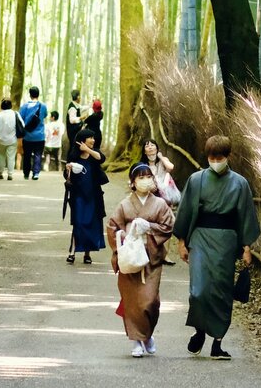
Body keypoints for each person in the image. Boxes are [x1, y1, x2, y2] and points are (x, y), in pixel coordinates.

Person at [172, 134, 260, 360]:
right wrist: (182, 242)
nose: (215, 160)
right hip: (200, 237)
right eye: (211, 156)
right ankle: (200, 331)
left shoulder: (240, 183)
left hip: (227, 241)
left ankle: (217, 342)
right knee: (199, 290)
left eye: (219, 157)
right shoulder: (196, 179)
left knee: (222, 291)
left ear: (228, 156)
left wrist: (247, 247)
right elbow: (185, 211)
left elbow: (246, 216)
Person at [107, 164, 176, 358]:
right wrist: (124, 235)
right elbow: (112, 227)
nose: (146, 180)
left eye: (148, 177)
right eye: (141, 177)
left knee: (150, 301)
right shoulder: (124, 205)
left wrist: (149, 227)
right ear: (133, 182)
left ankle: (147, 335)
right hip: (130, 258)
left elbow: (168, 226)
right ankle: (136, 340)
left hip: (150, 259)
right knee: (132, 301)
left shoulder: (160, 205)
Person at [62, 132, 108, 264]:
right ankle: (72, 252)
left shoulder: (94, 154)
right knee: (78, 223)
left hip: (93, 196)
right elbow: (67, 177)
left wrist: (88, 150)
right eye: (90, 138)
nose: (93, 140)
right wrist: (68, 169)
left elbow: (101, 158)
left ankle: (87, 254)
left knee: (92, 223)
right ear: (82, 140)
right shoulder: (74, 155)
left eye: (93, 138)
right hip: (78, 195)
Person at [137, 139, 181, 264]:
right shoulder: (142, 165)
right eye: (147, 145)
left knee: (168, 225)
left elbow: (170, 167)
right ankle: (150, 253)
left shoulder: (162, 161)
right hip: (148, 197)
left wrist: (161, 157)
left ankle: (165, 255)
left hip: (164, 198)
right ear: (144, 150)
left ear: (157, 148)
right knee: (149, 225)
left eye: (152, 145)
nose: (150, 147)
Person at [18, 86, 47, 179]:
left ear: (30, 95)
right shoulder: (43, 106)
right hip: (40, 136)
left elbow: (20, 119)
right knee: (38, 154)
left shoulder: (24, 106)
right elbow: (45, 115)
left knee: (27, 155)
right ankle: (36, 173)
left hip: (28, 136)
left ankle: (26, 173)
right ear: (38, 94)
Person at [0, 99, 20, 180]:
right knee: (11, 157)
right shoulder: (15, 114)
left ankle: (0, 173)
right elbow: (22, 124)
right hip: (12, 140)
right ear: (11, 106)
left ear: (2, 106)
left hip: (1, 140)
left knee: (1, 156)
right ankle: (10, 174)